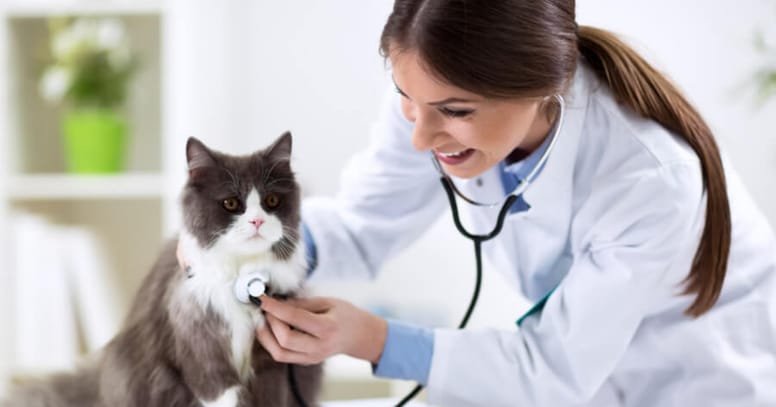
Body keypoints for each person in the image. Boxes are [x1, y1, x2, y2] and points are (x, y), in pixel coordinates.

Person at [254, 1, 776, 406]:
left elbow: (553, 369)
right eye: (406, 98)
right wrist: (264, 244)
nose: (420, 136)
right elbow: (366, 219)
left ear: (542, 89)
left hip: (698, 372)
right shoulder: (430, 93)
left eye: (455, 111)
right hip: (580, 374)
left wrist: (373, 338)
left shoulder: (650, 181)